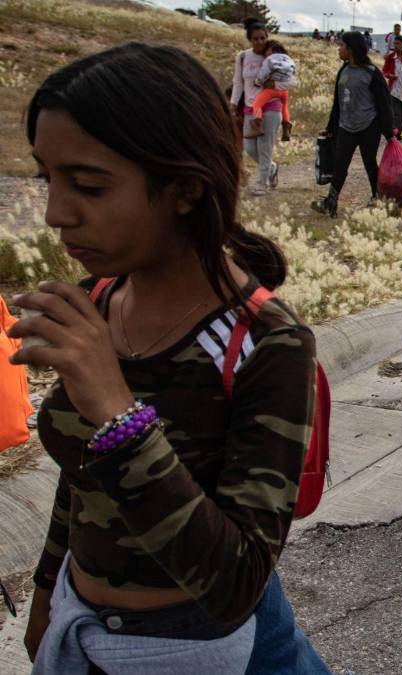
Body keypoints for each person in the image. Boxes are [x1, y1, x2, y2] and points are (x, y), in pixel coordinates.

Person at [15, 42, 326, 672]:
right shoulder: (96, 303)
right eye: (48, 179)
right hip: (82, 630)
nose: (55, 214)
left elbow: (237, 584)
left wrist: (118, 414)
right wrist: (47, 598)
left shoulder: (266, 344)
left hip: (207, 649)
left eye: (89, 186)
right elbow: (80, 479)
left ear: (185, 188)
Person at [312, 31, 394, 217]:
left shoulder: (372, 73)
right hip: (345, 126)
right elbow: (338, 102)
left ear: (351, 49)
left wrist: (389, 132)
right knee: (340, 164)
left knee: (370, 163)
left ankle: (377, 197)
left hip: (368, 126)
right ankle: (331, 202)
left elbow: (384, 103)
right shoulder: (343, 70)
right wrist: (331, 127)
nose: (339, 49)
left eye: (341, 45)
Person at [229, 18, 280, 196]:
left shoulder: (273, 56)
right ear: (250, 40)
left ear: (267, 37)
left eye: (262, 38)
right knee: (250, 147)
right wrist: (233, 103)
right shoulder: (243, 57)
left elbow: (287, 79)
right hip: (250, 107)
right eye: (255, 39)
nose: (259, 42)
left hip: (271, 106)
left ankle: (262, 183)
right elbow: (238, 83)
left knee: (265, 147)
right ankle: (271, 168)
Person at [248, 41, 296, 142]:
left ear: (271, 50)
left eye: (266, 51)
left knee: (256, 104)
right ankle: (286, 130)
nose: (265, 53)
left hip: (271, 90)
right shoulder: (289, 59)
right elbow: (293, 74)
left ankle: (257, 127)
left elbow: (264, 72)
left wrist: (258, 82)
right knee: (284, 107)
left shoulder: (270, 59)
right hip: (284, 90)